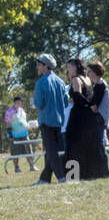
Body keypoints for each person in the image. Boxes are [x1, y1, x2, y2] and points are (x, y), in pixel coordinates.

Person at [63, 59, 103, 181]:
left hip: (78, 117)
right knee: (87, 146)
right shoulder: (87, 79)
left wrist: (77, 100)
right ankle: (90, 173)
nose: (67, 69)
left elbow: (78, 97)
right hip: (88, 117)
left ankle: (73, 175)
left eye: (69, 66)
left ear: (75, 67)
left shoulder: (76, 80)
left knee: (73, 146)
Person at [33, 54, 68, 184]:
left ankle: (61, 177)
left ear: (45, 66)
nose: (37, 67)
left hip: (46, 121)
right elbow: (65, 102)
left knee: (51, 152)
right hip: (59, 121)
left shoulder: (40, 82)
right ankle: (44, 179)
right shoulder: (61, 82)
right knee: (53, 151)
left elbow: (38, 103)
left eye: (39, 64)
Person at [88, 60, 109, 177]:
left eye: (90, 71)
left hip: (100, 119)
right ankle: (101, 171)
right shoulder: (100, 85)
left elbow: (94, 106)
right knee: (99, 145)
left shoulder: (100, 86)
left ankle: (104, 172)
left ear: (96, 72)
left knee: (100, 146)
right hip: (101, 119)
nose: (88, 74)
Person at [4, 96, 36, 173]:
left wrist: (30, 127)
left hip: (24, 134)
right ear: (15, 102)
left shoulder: (22, 111)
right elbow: (8, 123)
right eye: (19, 102)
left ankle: (32, 166)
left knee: (28, 150)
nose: (20, 103)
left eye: (21, 102)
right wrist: (10, 134)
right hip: (14, 136)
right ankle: (16, 168)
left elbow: (24, 122)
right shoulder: (10, 111)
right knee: (15, 152)